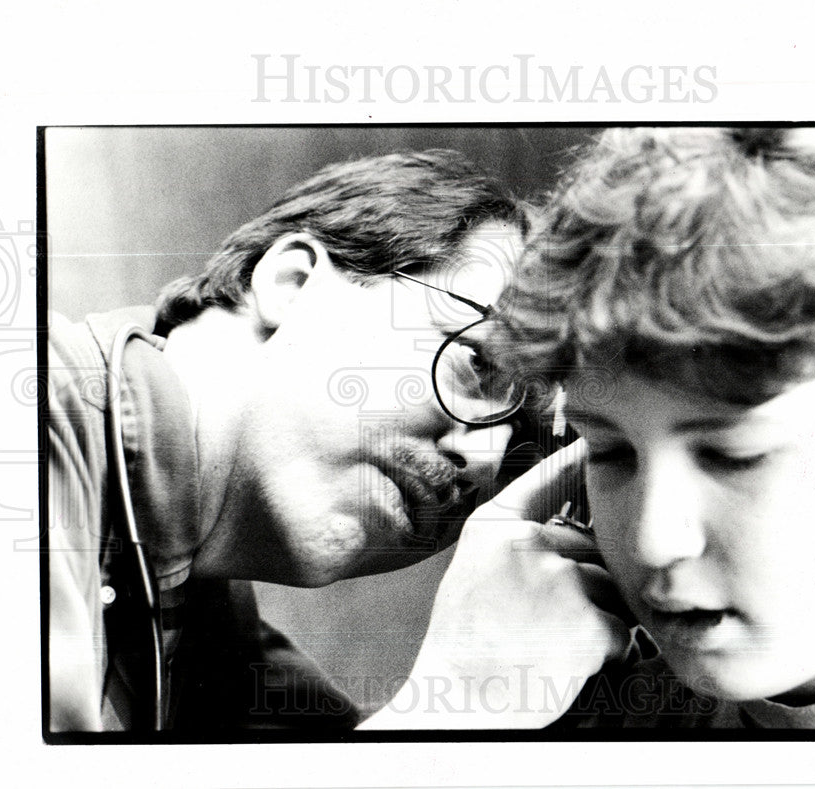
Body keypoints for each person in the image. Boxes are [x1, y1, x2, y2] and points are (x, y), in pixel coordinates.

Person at [364, 126, 815, 730]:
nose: (652, 542)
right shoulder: (544, 704)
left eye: (732, 456)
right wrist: (459, 707)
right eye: (611, 451)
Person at [46, 149, 543, 732]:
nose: (482, 458)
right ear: (293, 283)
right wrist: (462, 692)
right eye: (478, 362)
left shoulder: (200, 613)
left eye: (519, 442)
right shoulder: (20, 405)